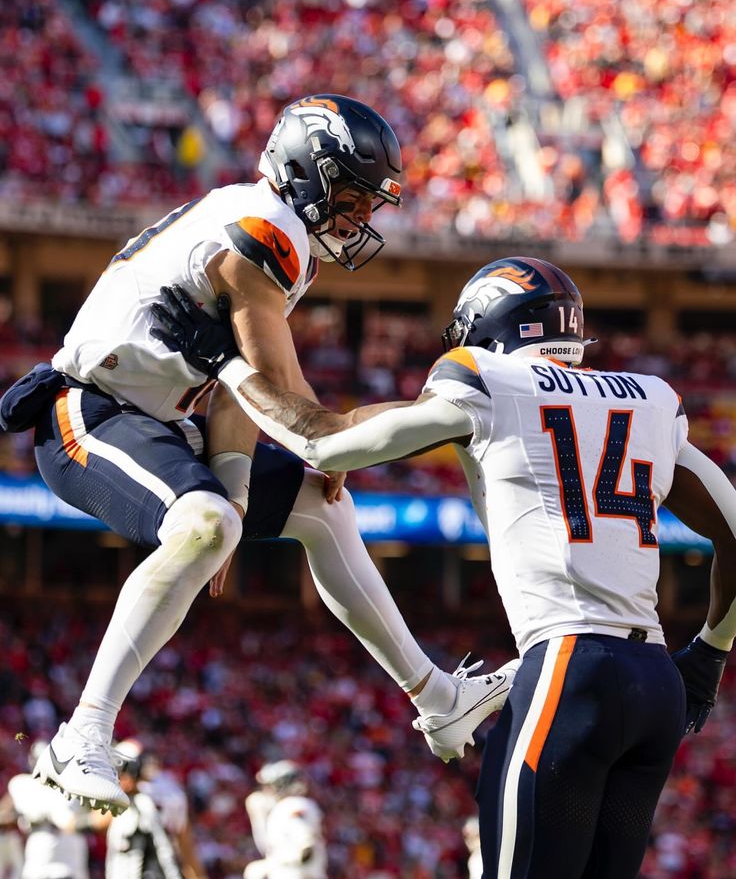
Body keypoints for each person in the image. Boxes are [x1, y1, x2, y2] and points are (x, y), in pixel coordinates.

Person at [0, 94, 517, 816]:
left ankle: (439, 698)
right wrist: (367, 433)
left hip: (162, 419)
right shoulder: (263, 232)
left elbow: (236, 393)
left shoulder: (266, 229)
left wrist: (242, 496)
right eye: (353, 196)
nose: (363, 218)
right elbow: (291, 408)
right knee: (212, 519)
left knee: (320, 507)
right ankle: (81, 732)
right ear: (308, 173)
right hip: (91, 412)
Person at [152, 255, 736, 879]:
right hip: (655, 684)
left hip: (571, 667)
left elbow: (323, 441)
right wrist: (708, 656)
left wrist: (229, 365)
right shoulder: (649, 398)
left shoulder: (486, 378)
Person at [95, 740, 182, 879]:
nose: (118, 778)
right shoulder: (124, 802)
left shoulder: (146, 802)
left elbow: (167, 848)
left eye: (121, 771)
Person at [4, 741, 90, 879]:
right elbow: (4, 813)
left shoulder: (74, 785)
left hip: (71, 855)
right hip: (41, 854)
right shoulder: (23, 784)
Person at [243, 760, 326, 879]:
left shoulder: (292, 805)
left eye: (270, 785)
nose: (267, 790)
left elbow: (305, 842)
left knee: (254, 871)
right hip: (297, 871)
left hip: (297, 873)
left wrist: (280, 863)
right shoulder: (290, 806)